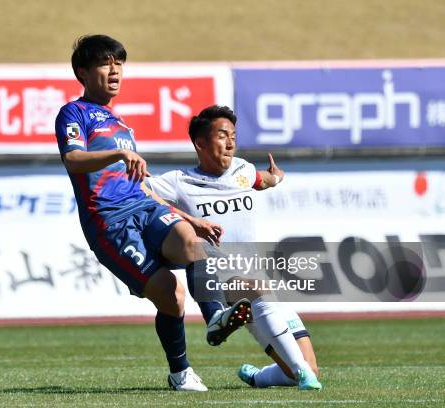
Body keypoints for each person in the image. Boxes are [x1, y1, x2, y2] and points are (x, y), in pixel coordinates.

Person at [54, 35, 249, 391]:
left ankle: (216, 317)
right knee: (170, 294)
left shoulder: (119, 123)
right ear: (82, 72)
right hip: (109, 223)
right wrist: (119, 155)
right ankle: (180, 373)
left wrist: (191, 219)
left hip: (144, 208)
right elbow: (73, 160)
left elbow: (140, 185)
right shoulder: (74, 113)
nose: (114, 70)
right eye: (104, 63)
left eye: (119, 63)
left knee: (191, 243)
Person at [143, 105, 323, 390]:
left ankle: (259, 376)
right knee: (260, 293)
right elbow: (140, 189)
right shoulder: (179, 181)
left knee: (309, 364)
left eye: (234, 136)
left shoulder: (242, 169)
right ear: (200, 143)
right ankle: (302, 374)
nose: (230, 142)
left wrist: (276, 178)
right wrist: (188, 219)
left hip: (257, 279)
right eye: (222, 135)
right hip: (218, 279)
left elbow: (261, 180)